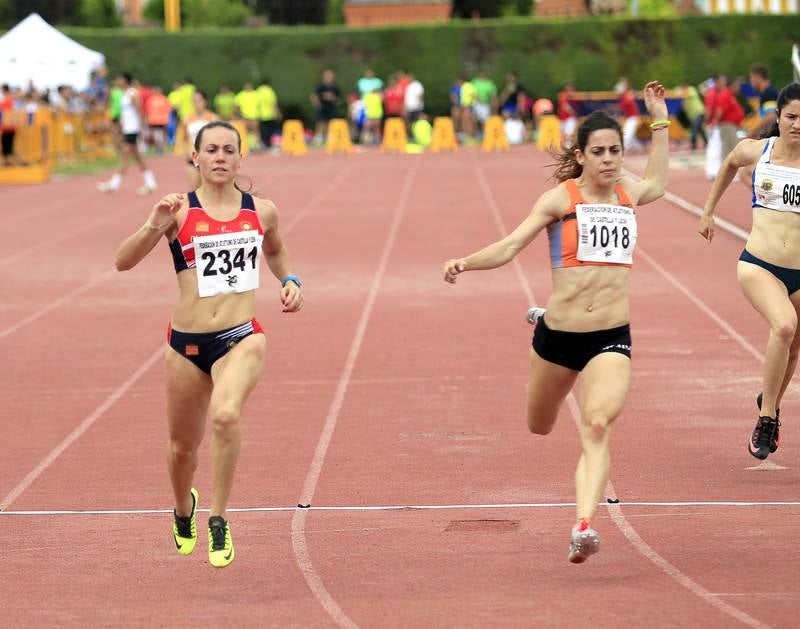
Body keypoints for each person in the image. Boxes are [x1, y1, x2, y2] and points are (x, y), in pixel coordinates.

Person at [443, 81, 669, 564]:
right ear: (581, 156)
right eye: (599, 152)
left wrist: (660, 120)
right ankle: (541, 319)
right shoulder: (559, 201)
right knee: (539, 425)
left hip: (611, 336)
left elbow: (658, 183)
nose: (608, 160)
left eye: (615, 151)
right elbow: (509, 246)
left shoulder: (628, 193)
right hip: (560, 337)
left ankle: (583, 524)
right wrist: (465, 262)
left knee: (597, 424)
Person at [114, 120, 304, 568]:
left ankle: (219, 517)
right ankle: (184, 508)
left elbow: (275, 250)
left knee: (225, 414)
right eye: (212, 150)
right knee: (182, 449)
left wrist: (291, 279)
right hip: (185, 345)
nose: (220, 157)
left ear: (240, 158)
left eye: (229, 150)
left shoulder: (262, 211)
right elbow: (122, 262)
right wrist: (152, 224)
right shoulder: (177, 212)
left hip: (241, 337)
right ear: (195, 157)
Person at [698, 82, 800, 460]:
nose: (797, 124)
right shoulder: (758, 151)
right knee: (784, 326)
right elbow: (729, 163)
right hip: (760, 265)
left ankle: (769, 398)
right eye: (791, 117)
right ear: (778, 117)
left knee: (793, 348)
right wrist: (708, 211)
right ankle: (768, 417)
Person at [97, 73, 157, 195]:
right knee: (138, 158)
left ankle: (113, 184)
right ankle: (150, 183)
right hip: (128, 129)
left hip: (132, 130)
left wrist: (141, 128)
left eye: (119, 79)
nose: (117, 81)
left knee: (125, 158)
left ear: (125, 81)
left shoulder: (132, 93)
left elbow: (139, 110)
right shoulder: (124, 94)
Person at [182, 90, 218, 189]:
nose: (196, 104)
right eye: (194, 101)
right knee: (194, 191)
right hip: (193, 159)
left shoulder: (213, 118)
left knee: (210, 191)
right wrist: (187, 153)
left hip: (210, 160)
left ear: (205, 101)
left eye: (199, 100)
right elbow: (185, 139)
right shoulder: (187, 119)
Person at [310, 69, 341, 145]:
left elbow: (338, 98)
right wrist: (317, 104)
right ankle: (319, 136)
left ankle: (328, 136)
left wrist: (333, 99)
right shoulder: (320, 86)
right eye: (327, 75)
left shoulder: (335, 86)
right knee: (321, 121)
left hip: (331, 107)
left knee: (330, 122)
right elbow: (314, 95)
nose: (329, 77)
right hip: (323, 106)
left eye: (330, 75)